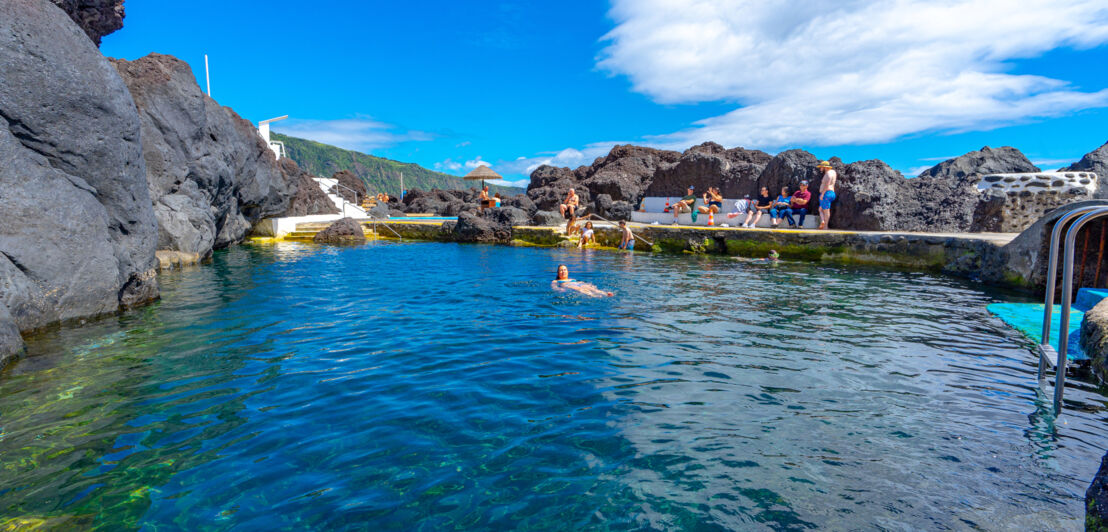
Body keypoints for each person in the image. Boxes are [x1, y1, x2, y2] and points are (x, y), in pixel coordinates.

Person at [817, 160, 837, 229]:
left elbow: (827, 184)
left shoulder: (828, 174)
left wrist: (822, 194)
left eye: (821, 167)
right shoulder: (833, 172)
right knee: (820, 209)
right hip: (831, 193)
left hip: (826, 193)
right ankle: (823, 221)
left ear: (825, 167)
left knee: (826, 210)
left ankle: (825, 226)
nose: (820, 168)